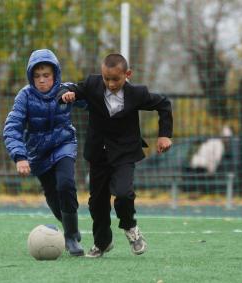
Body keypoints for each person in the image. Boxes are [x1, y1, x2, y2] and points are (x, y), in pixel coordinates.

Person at [60, 53, 173, 258]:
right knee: (97, 202)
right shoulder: (93, 84)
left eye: (115, 79)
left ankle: (130, 227)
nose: (110, 84)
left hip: (124, 152)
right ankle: (102, 243)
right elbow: (72, 88)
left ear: (127, 74)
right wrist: (67, 93)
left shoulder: (137, 94)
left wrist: (164, 135)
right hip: (98, 154)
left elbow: (163, 104)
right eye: (106, 78)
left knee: (123, 193)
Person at [3, 49, 85, 256]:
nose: (42, 80)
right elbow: (12, 127)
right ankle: (70, 228)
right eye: (37, 76)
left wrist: (78, 93)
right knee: (52, 196)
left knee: (65, 183)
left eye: (46, 75)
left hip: (63, 144)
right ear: (31, 76)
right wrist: (20, 157)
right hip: (38, 153)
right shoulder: (25, 96)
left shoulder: (65, 90)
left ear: (55, 75)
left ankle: (71, 236)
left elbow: (91, 100)